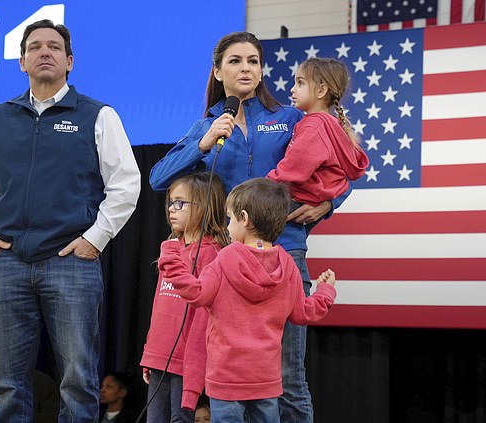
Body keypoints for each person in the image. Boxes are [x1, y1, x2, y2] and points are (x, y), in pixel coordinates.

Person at [148, 31, 349, 422]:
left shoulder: (289, 118)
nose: (246, 68)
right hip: (229, 261)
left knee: (289, 377)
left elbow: (343, 165)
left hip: (285, 253)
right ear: (218, 71)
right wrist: (202, 144)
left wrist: (327, 203)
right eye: (236, 61)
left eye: (253, 61)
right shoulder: (207, 125)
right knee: (228, 376)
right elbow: (158, 178)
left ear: (261, 71)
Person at [0, 19, 141, 423]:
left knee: (78, 380)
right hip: (6, 264)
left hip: (71, 263)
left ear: (69, 61)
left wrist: (94, 239)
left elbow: (126, 184)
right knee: (5, 381)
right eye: (35, 47)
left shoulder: (98, 115)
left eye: (54, 47)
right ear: (22, 62)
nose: (44, 52)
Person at [158, 178, 337, 423]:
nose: (228, 226)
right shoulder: (287, 264)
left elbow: (196, 293)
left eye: (230, 219)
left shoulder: (225, 258)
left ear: (244, 218)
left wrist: (170, 254)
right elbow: (303, 313)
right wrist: (325, 291)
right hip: (266, 381)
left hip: (226, 379)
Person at [140, 172, 230, 422]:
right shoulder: (170, 247)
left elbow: (205, 313)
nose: (172, 209)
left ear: (204, 206)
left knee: (180, 418)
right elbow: (159, 306)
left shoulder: (213, 253)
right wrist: (150, 354)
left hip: (187, 358)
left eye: (180, 203)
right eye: (170, 202)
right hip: (160, 354)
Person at [267, 57, 369, 233]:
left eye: (300, 83)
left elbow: (293, 169)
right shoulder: (331, 124)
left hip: (295, 202)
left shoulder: (313, 126)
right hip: (310, 204)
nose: (292, 89)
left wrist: (261, 188)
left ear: (321, 90)